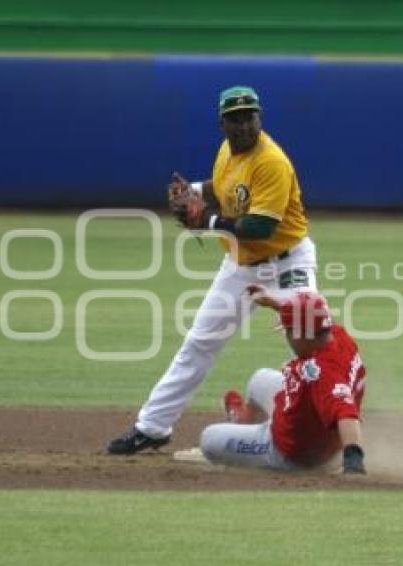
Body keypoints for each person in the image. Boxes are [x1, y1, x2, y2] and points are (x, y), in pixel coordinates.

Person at [108, 86, 318, 454]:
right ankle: (153, 427)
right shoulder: (228, 153)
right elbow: (221, 190)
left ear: (260, 118)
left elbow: (258, 227)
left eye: (249, 117)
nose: (243, 125)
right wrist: (190, 191)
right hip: (241, 265)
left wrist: (203, 218)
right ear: (222, 124)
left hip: (288, 263)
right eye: (235, 119)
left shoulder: (271, 162)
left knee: (309, 342)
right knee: (200, 341)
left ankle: (326, 428)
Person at [199, 285, 367, 474]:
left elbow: (346, 413)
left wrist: (354, 462)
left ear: (300, 333)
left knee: (208, 439)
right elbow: (312, 318)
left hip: (291, 451)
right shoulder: (338, 336)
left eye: (288, 330)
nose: (286, 336)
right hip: (306, 416)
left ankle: (253, 437)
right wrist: (275, 304)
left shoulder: (322, 373)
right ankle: (245, 420)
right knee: (259, 378)